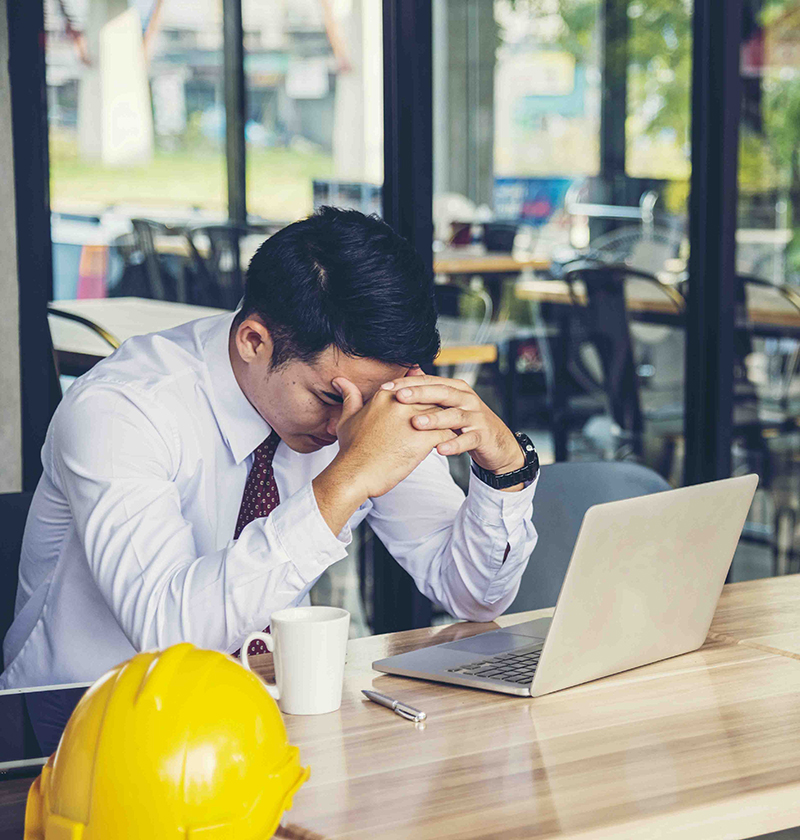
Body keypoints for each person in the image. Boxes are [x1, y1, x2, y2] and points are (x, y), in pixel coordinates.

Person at [1, 207, 538, 690]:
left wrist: (504, 470)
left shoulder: (358, 403)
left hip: (259, 715)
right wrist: (345, 481)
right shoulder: (122, 410)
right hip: (73, 727)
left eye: (372, 399)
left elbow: (473, 596)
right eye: (329, 396)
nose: (346, 425)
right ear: (254, 341)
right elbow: (169, 634)